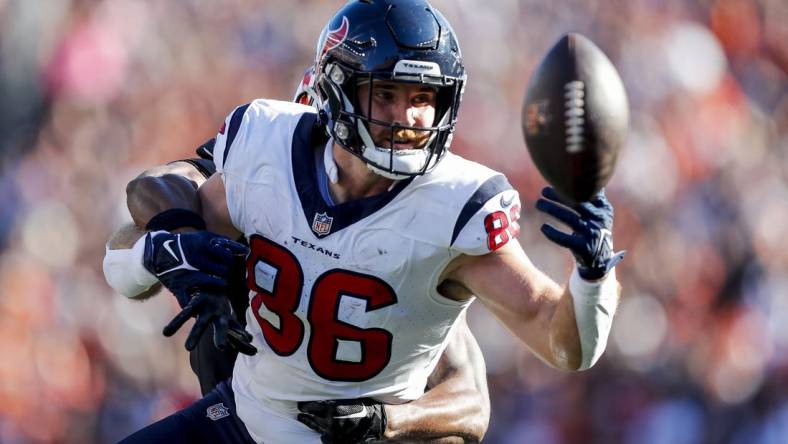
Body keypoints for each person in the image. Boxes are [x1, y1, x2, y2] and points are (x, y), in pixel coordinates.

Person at [104, 0, 624, 442]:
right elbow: (149, 221)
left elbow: (562, 343)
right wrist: (168, 253)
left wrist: (593, 277)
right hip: (246, 419)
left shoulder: (455, 207)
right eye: (387, 94)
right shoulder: (268, 147)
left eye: (423, 98)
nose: (407, 117)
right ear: (335, 89)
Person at [106, 137, 491, 442]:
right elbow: (147, 206)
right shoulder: (252, 176)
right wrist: (174, 246)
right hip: (235, 413)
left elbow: (470, 405)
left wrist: (386, 422)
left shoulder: (400, 241)